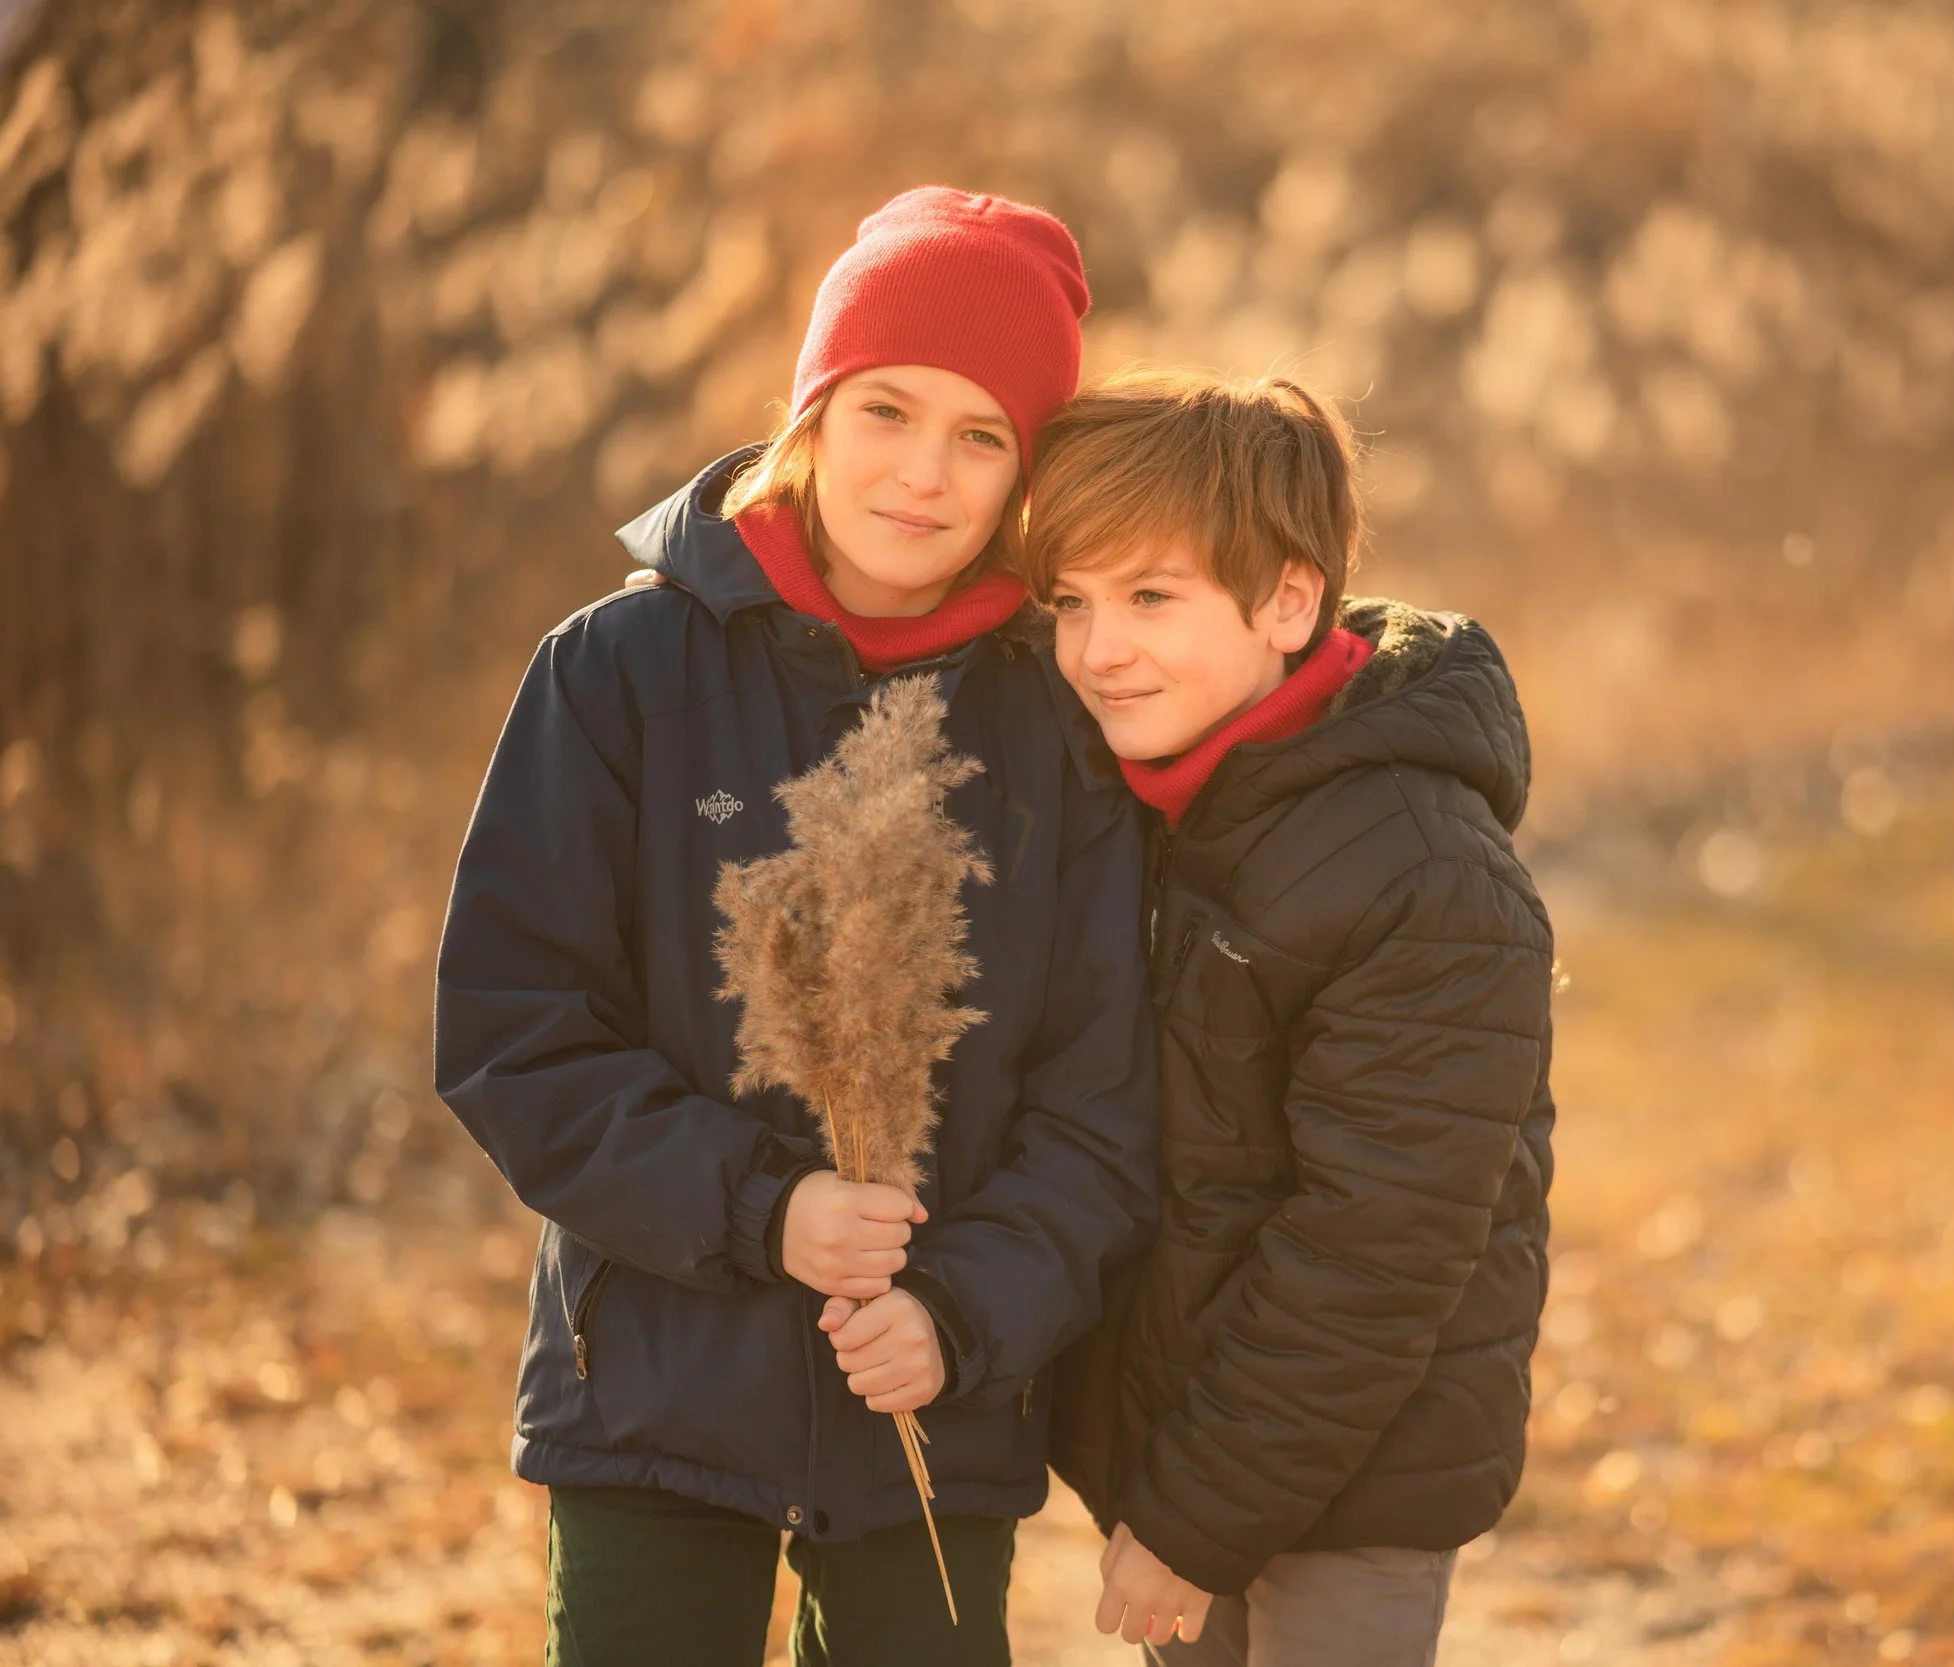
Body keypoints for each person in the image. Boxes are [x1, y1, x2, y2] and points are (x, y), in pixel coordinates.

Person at [434, 187, 1159, 1667]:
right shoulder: (618, 671)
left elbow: (1104, 1106)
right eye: (888, 409)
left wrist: (962, 1312)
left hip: (931, 1400)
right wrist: (763, 1208)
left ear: (1028, 473)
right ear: (815, 408)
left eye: (982, 436)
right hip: (652, 1382)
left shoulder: (1053, 722)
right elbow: (517, 1034)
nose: (923, 474)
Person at [1021, 372, 1557, 1665]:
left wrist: (1192, 1518)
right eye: (1072, 604)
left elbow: (1373, 1254)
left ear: (1291, 599)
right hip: (1189, 1441)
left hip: (1357, 1476)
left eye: (1152, 595)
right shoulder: (1140, 803)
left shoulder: (1424, 869)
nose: (1101, 649)